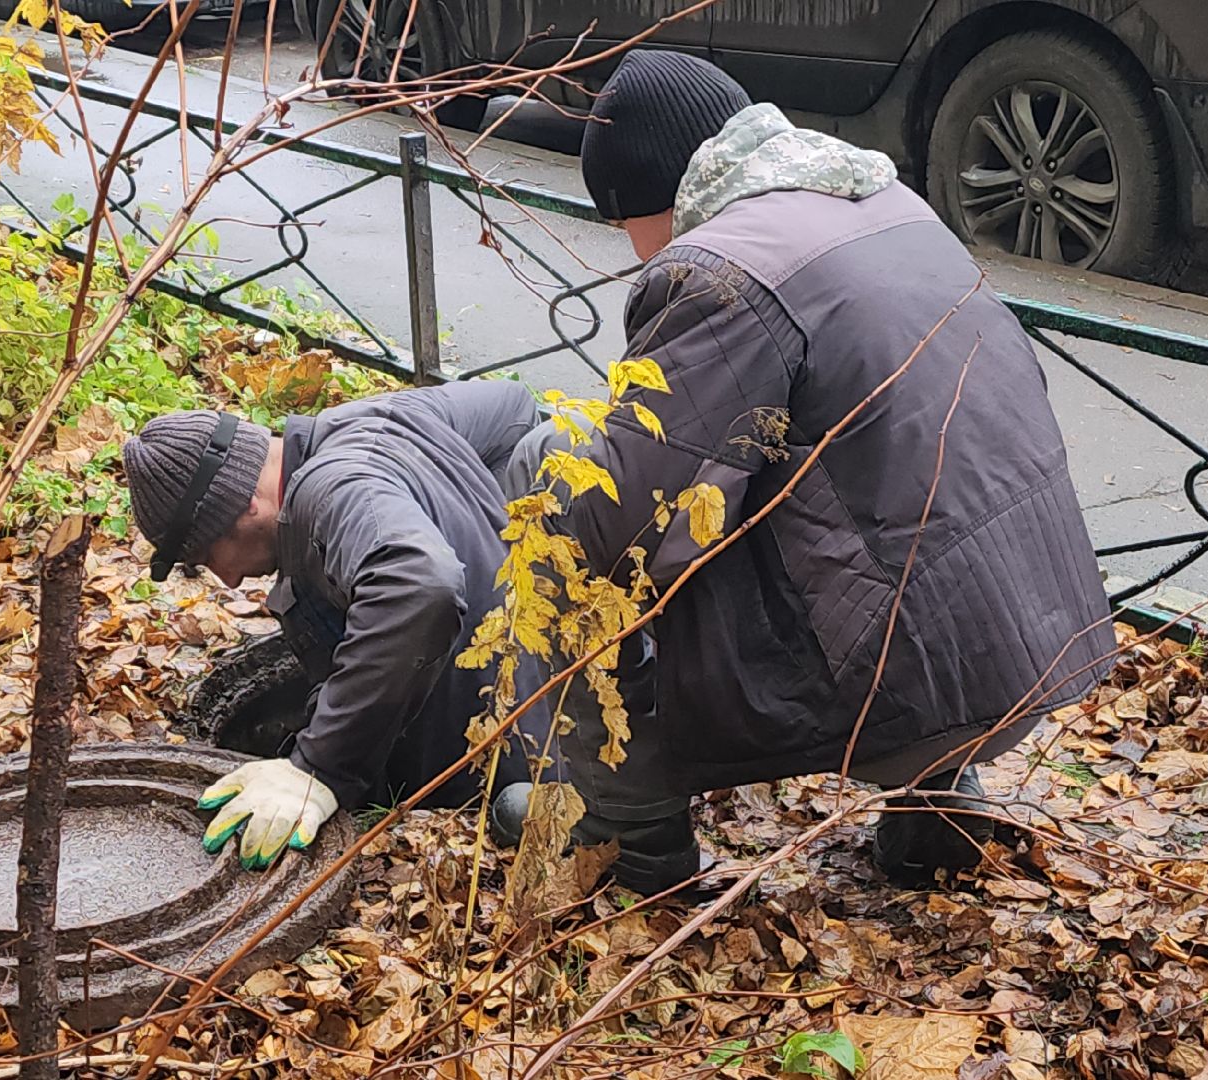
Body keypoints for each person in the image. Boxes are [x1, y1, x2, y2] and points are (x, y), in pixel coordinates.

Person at [510, 51, 1116, 894]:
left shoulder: (711, 272)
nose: (629, 251)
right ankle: (937, 807)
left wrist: (575, 450)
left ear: (655, 197)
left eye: (623, 226)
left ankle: (627, 838)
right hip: (1035, 636)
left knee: (556, 489)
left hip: (911, 692)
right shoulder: (882, 200)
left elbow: (625, 532)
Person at [121, 380, 561, 869]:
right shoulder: (387, 415)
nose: (226, 578)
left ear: (246, 504)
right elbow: (516, 406)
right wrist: (492, 543)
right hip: (561, 699)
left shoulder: (330, 491)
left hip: (510, 770)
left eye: (208, 556)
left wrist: (318, 769)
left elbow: (419, 587)